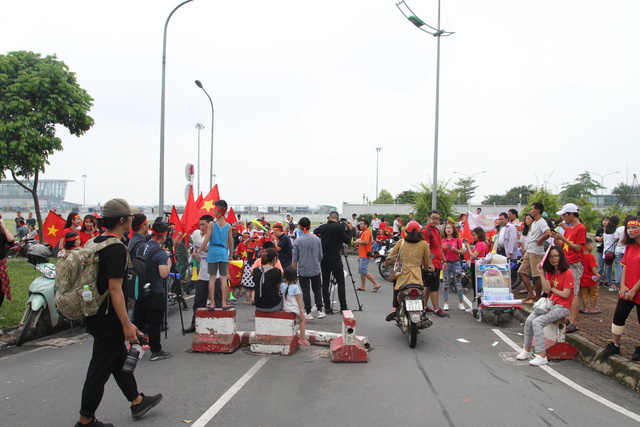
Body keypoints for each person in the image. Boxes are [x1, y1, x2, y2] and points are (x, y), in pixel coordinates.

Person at [76, 198, 162, 427]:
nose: (132, 220)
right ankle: (85, 420)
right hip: (108, 318)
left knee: (117, 360)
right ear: (123, 220)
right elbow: (115, 289)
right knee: (99, 371)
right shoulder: (115, 248)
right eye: (130, 217)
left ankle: (137, 401)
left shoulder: (95, 241)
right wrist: (126, 324)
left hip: (95, 312)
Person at [517, 246, 574, 366]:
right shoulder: (550, 272)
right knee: (529, 320)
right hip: (549, 303)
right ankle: (527, 349)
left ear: (561, 257)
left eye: (556, 256)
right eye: (551, 257)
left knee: (538, 322)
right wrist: (541, 274)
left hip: (562, 306)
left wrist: (553, 289)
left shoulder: (568, 273)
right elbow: (547, 290)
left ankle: (541, 355)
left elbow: (566, 294)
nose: (553, 259)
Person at [600, 216, 640, 360]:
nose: (631, 231)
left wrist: (634, 290)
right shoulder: (629, 247)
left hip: (637, 290)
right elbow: (625, 267)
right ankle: (615, 345)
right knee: (618, 316)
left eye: (634, 227)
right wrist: (622, 286)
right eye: (628, 228)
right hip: (627, 290)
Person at [133, 222, 172, 361]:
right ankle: (156, 350)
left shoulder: (141, 246)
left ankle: (134, 347)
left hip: (140, 289)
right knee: (154, 322)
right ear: (164, 236)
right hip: (155, 291)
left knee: (138, 320)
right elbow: (163, 274)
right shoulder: (160, 253)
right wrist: (168, 264)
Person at [385, 221, 432, 320]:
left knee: (396, 288)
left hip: (402, 273)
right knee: (420, 293)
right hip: (417, 275)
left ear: (406, 231)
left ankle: (394, 309)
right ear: (420, 232)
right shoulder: (424, 244)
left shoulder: (401, 242)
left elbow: (390, 256)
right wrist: (424, 269)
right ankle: (422, 310)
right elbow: (426, 261)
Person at [551, 203, 587, 334]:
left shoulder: (580, 229)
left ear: (571, 214)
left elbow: (577, 247)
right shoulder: (569, 229)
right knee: (568, 292)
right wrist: (557, 239)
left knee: (574, 292)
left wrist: (563, 239)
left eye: (564, 215)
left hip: (574, 263)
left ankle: (574, 322)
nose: (563, 218)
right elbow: (563, 245)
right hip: (567, 262)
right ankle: (569, 318)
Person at [314, 212, 353, 314]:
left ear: (329, 218)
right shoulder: (339, 227)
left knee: (325, 283)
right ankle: (343, 307)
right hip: (335, 258)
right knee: (341, 282)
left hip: (324, 258)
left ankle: (327, 307)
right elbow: (347, 240)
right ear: (337, 218)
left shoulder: (324, 227)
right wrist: (350, 229)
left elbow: (315, 231)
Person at [198, 199, 234, 310]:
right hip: (223, 253)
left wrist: (199, 250)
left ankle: (212, 303)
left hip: (212, 253)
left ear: (218, 211)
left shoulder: (212, 224)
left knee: (212, 278)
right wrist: (231, 255)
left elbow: (207, 239)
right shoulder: (228, 226)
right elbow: (230, 242)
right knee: (223, 278)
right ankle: (223, 302)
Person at [185, 215, 215, 333]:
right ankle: (195, 324)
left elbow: (223, 254)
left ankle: (214, 325)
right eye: (200, 225)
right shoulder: (200, 238)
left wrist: (208, 251)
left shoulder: (215, 238)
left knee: (215, 302)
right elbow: (198, 255)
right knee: (198, 302)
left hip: (214, 275)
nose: (201, 227)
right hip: (202, 275)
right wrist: (195, 255)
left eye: (204, 224)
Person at [292, 217, 325, 320]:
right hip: (315, 269)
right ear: (310, 226)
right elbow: (320, 256)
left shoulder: (297, 241)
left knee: (305, 291)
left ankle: (308, 311)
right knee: (317, 289)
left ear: (300, 228)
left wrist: (294, 272)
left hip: (303, 270)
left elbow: (295, 259)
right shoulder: (317, 239)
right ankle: (319, 310)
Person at [518, 203, 551, 304]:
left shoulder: (542, 222)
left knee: (537, 275)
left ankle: (537, 297)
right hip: (530, 250)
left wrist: (540, 239)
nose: (531, 211)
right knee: (521, 272)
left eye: (532, 209)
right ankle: (530, 294)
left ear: (537, 210)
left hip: (536, 252)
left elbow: (548, 232)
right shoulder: (535, 223)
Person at [422, 210, 447, 317]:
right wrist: (430, 263)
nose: (435, 220)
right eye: (433, 218)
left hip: (437, 262)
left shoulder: (436, 230)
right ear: (428, 218)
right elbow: (426, 249)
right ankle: (436, 309)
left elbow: (439, 247)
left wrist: (444, 260)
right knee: (432, 286)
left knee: (428, 286)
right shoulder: (426, 231)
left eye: (437, 218)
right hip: (431, 264)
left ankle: (424, 306)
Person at [281, 266, 310, 346]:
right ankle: (303, 338)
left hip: (285, 307)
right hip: (294, 308)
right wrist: (301, 308)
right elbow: (298, 299)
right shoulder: (295, 287)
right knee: (303, 320)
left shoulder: (282, 286)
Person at [442, 222, 466, 311]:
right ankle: (445, 303)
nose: (448, 229)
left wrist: (454, 249)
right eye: (447, 228)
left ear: (453, 230)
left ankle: (461, 303)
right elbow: (441, 253)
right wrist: (444, 260)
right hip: (446, 263)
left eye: (450, 228)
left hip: (456, 263)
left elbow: (462, 252)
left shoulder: (457, 240)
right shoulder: (443, 241)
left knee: (458, 283)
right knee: (445, 283)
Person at [463, 227, 488, 309]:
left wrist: (468, 247)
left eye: (474, 235)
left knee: (476, 285)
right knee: (474, 285)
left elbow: (474, 255)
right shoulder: (478, 243)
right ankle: (475, 304)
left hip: (477, 265)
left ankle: (477, 304)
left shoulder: (481, 244)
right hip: (475, 264)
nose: (473, 237)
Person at [354, 218, 381, 293]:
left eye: (362, 224)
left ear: (366, 225)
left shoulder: (366, 232)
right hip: (363, 254)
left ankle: (376, 284)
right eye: (360, 224)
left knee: (363, 270)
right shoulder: (364, 232)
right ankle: (362, 286)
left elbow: (366, 242)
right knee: (362, 271)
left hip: (365, 254)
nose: (360, 225)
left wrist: (357, 242)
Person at [580, 238, 600, 314]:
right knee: (594, 294)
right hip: (592, 279)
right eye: (592, 245)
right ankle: (593, 308)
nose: (593, 246)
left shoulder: (580, 256)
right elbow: (593, 267)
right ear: (588, 246)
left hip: (583, 279)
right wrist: (597, 275)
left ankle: (585, 308)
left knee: (584, 294)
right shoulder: (590, 256)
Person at [0, 216, 15, 311]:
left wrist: (4, 227)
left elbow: (11, 239)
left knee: (1, 289)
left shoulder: (1, 234)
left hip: (1, 264)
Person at [603, 215, 620, 291]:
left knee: (608, 269)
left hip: (606, 252)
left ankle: (610, 284)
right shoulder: (616, 232)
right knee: (617, 267)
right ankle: (618, 283)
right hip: (613, 252)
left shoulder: (606, 231)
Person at [594, 216, 610, 286]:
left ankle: (607, 280)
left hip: (608, 251)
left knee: (608, 266)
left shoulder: (611, 230)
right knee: (600, 266)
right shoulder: (600, 230)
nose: (605, 222)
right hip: (600, 249)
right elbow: (595, 239)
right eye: (604, 220)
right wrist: (597, 238)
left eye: (607, 220)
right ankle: (600, 280)